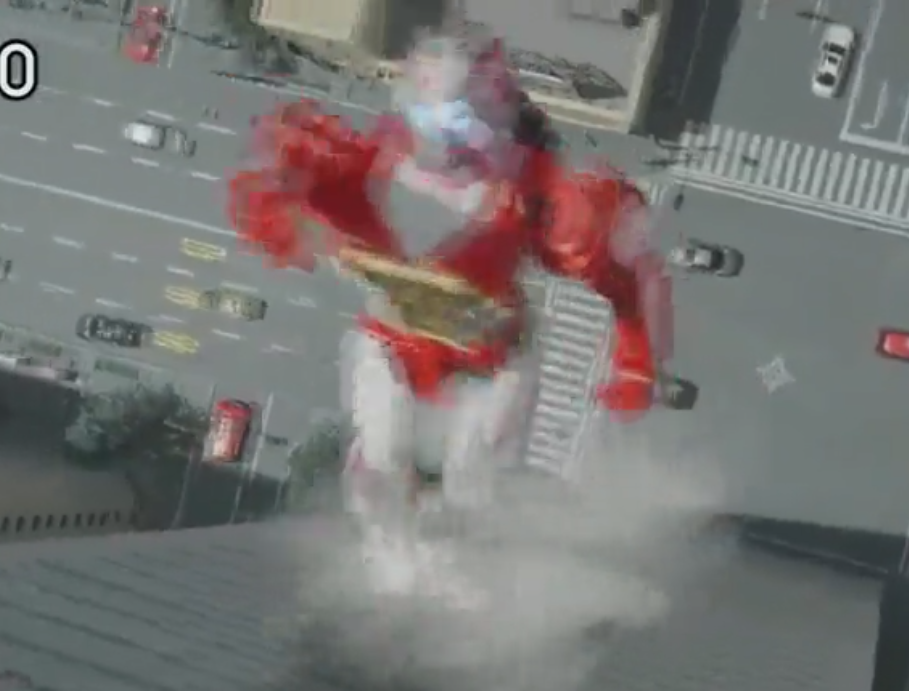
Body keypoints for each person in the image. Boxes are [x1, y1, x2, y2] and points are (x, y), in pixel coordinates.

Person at [227, 29, 671, 607]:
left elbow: (620, 275)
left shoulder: (530, 192)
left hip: (491, 357)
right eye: (431, 106)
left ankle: (461, 583)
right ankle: (394, 573)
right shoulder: (375, 162)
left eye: (465, 114)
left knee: (471, 482)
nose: (445, 135)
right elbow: (303, 188)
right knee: (380, 471)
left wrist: (635, 362)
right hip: (394, 344)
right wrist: (301, 201)